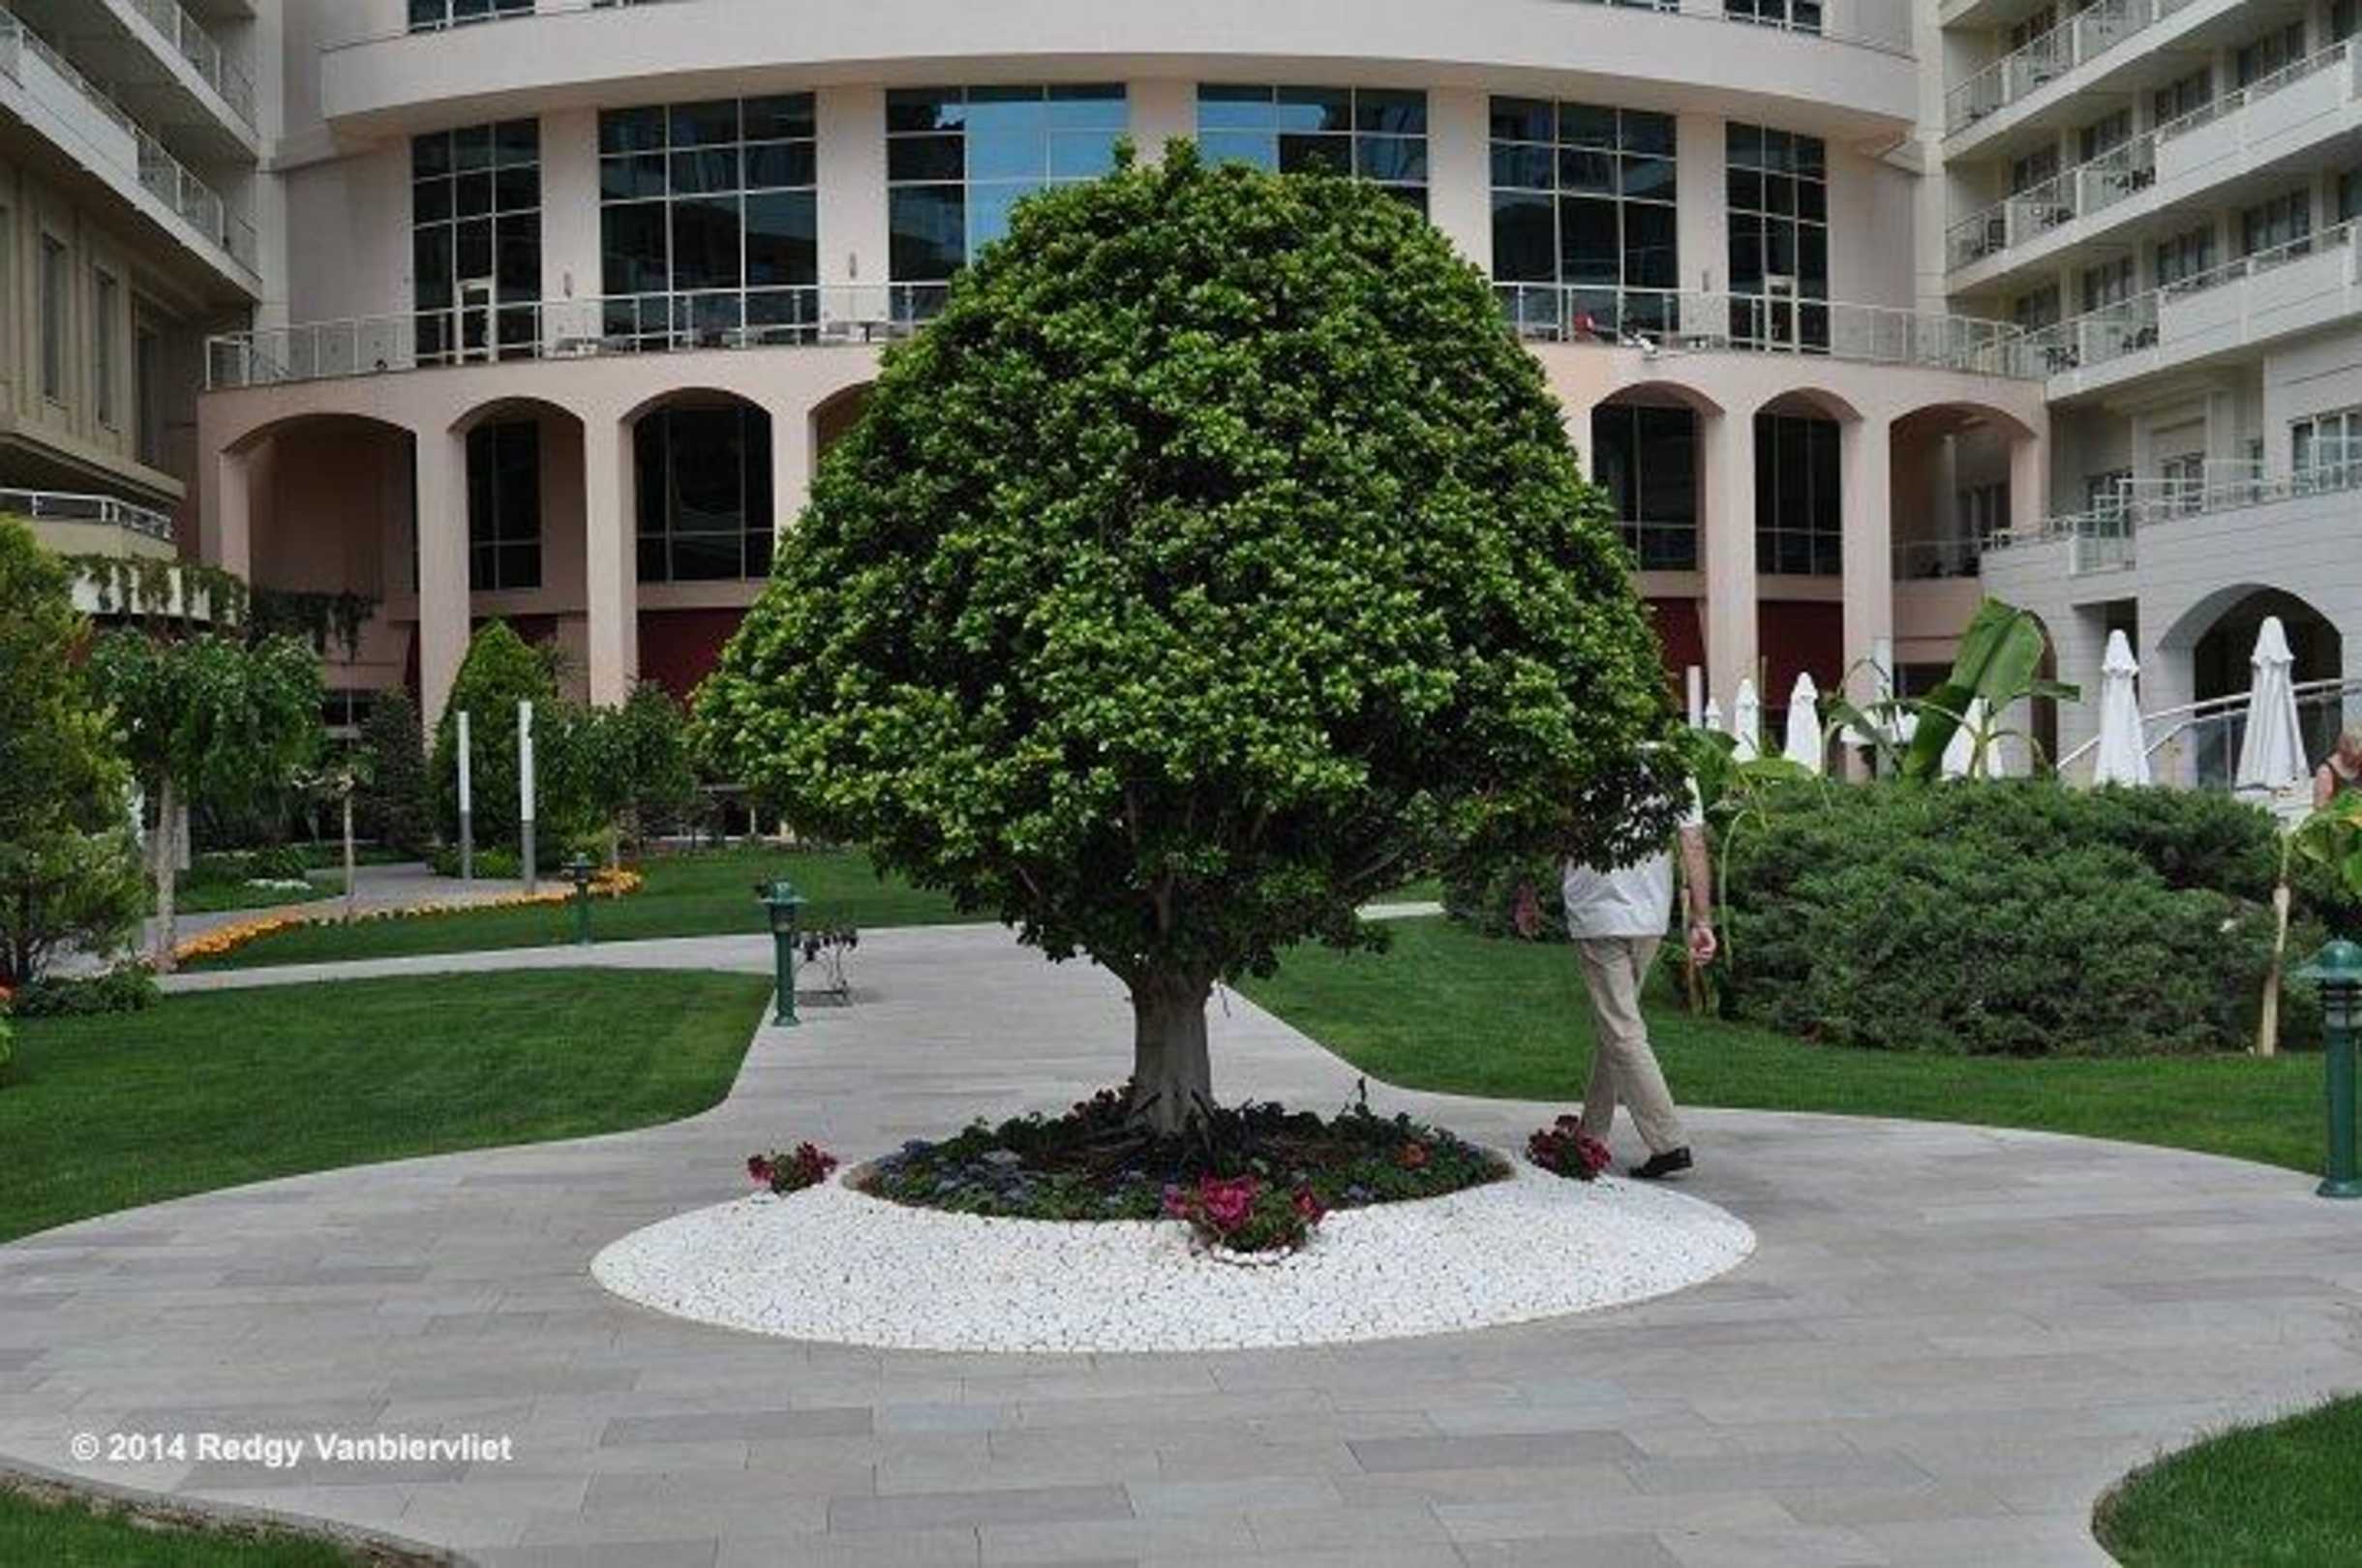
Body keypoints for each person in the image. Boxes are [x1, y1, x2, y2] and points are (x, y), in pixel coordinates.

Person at [1517, 779, 1717, 1180]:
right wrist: (1702, 920)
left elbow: (1549, 832)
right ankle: (1591, 1136)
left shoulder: (1586, 759)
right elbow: (1693, 843)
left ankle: (1669, 1143)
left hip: (1598, 913)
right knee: (1617, 1026)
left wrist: (1527, 894)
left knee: (1622, 1029)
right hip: (1649, 915)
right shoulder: (1676, 765)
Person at [2316, 724, 2362, 810]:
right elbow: (2320, 807)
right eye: (2357, 757)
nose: (2359, 761)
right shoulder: (2326, 772)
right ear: (2344, 750)